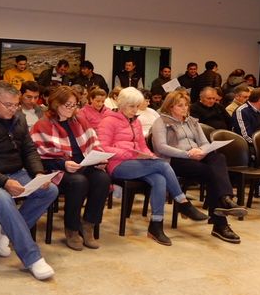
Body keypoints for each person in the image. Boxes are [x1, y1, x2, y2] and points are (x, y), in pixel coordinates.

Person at [0, 82, 59, 280]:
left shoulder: (19, 119)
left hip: (14, 171)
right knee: (3, 197)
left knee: (49, 190)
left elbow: (29, 150)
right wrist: (4, 182)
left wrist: (38, 173)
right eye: (8, 105)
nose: (13, 109)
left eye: (16, 105)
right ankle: (32, 258)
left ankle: (5, 230)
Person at [97, 87, 207, 246]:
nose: (135, 110)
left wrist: (150, 156)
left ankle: (156, 225)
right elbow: (103, 148)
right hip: (117, 165)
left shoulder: (135, 121)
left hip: (137, 163)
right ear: (121, 104)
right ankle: (183, 203)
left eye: (137, 106)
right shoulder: (108, 121)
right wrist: (132, 154)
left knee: (159, 179)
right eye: (131, 106)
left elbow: (142, 146)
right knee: (163, 166)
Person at [152, 91, 247, 243]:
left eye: (186, 105)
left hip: (196, 156)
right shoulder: (161, 121)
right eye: (180, 105)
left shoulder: (192, 121)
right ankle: (221, 221)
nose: (185, 108)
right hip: (175, 160)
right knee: (212, 174)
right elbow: (161, 147)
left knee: (218, 157)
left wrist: (202, 151)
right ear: (170, 107)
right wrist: (187, 154)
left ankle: (224, 199)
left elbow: (204, 142)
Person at [30, 86, 110, 250]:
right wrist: (63, 164)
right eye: (67, 105)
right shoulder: (43, 125)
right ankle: (72, 229)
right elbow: (39, 159)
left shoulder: (79, 120)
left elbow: (93, 143)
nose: (71, 108)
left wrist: (99, 158)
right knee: (78, 182)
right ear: (56, 104)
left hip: (82, 164)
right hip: (57, 169)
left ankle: (88, 225)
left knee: (102, 178)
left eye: (74, 105)